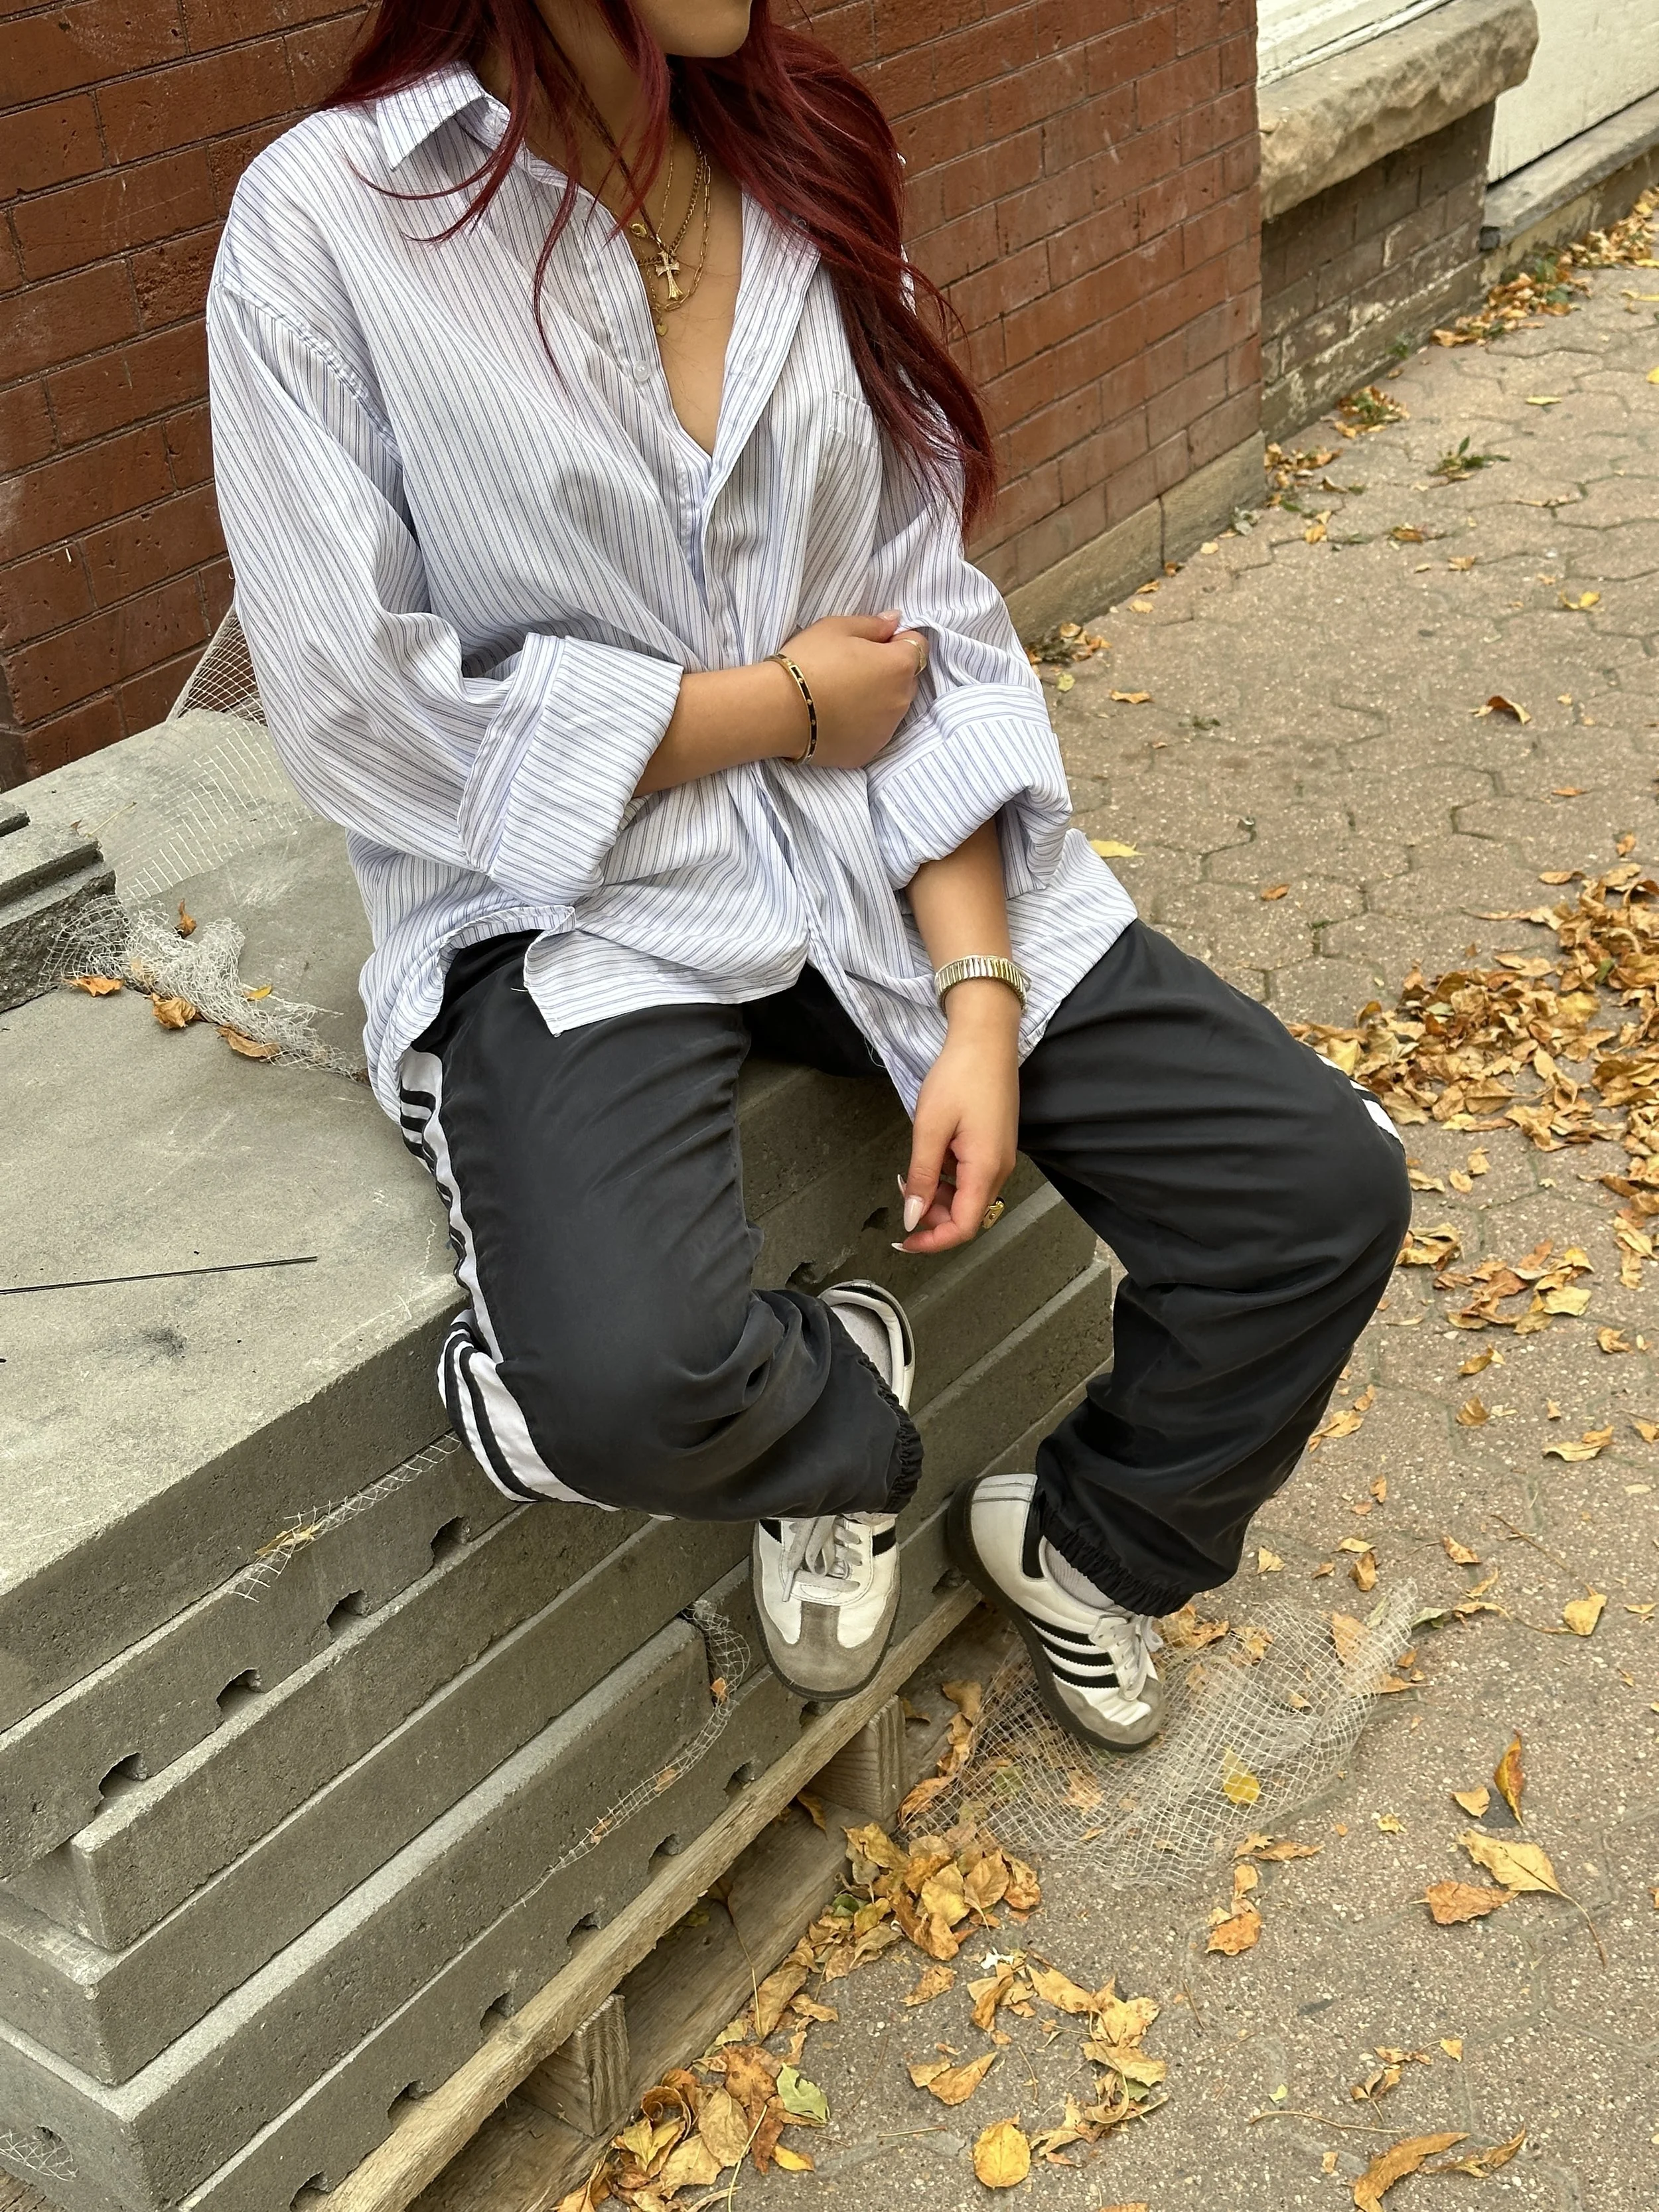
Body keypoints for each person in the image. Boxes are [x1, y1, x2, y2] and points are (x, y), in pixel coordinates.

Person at [206, 0, 1409, 1752]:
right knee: (619, 1381)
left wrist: (979, 1002)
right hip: (581, 893)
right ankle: (838, 1431)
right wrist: (763, 704)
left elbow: (920, 612)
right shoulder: (321, 224)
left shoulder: (798, 156)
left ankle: (1092, 1542)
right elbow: (353, 711)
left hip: (875, 840)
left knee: (1314, 1193)